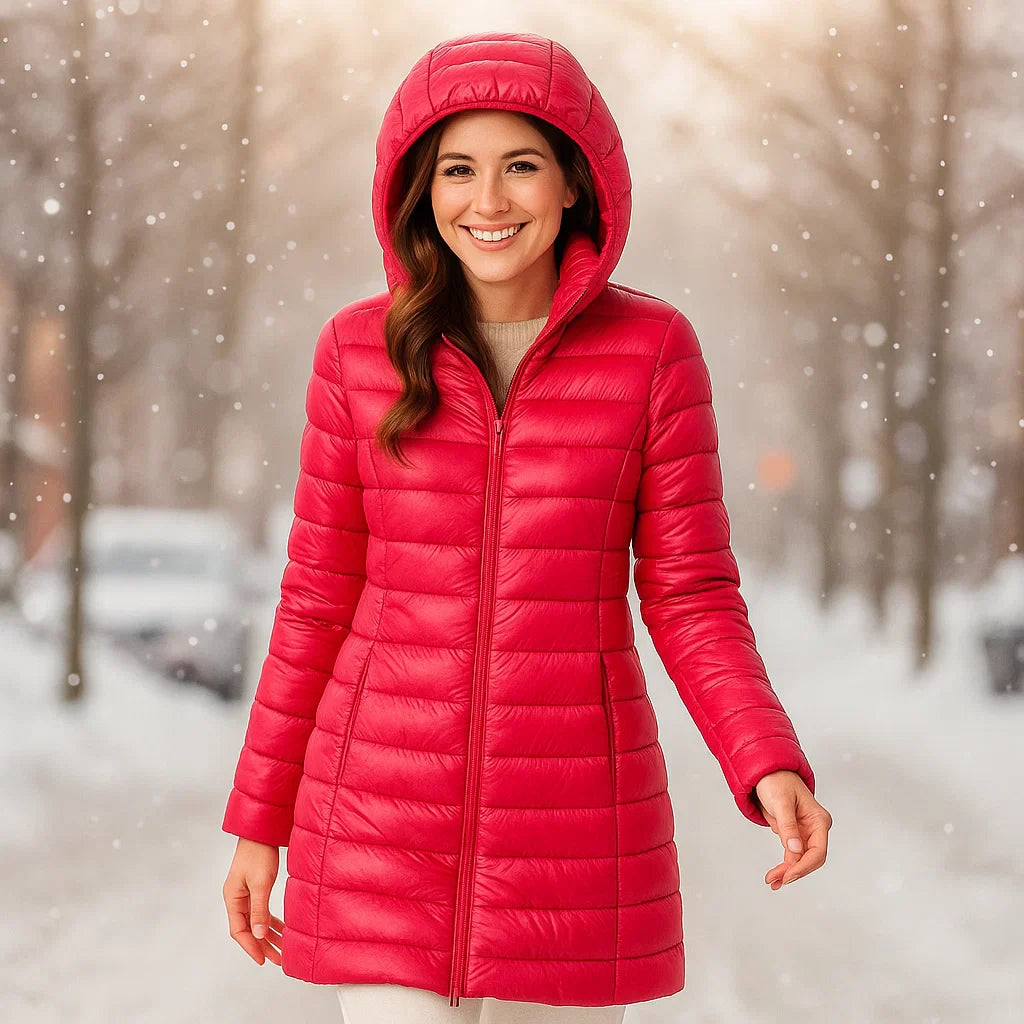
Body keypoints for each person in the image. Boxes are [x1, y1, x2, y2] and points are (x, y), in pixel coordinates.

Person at [221, 30, 833, 1023]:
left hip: (574, 832)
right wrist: (259, 824)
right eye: (458, 169)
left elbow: (688, 591)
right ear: (422, 190)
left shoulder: (652, 351)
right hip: (377, 819)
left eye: (521, 167)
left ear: (572, 186)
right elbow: (315, 600)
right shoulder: (355, 353)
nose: (489, 201)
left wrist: (762, 757)